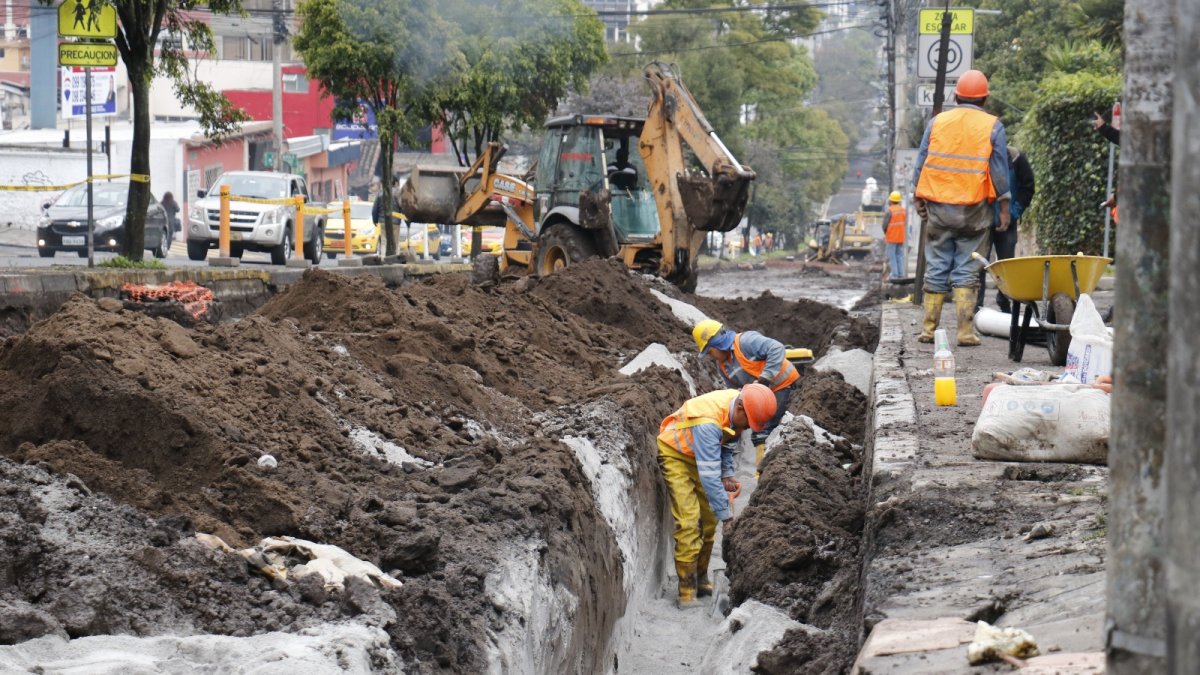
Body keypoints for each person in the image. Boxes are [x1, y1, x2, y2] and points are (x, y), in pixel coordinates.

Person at [912, 69, 1011, 347]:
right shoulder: (993, 126)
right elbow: (1000, 172)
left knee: (937, 264)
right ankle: (965, 332)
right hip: (974, 211)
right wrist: (1004, 208)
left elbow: (921, 163)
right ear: (985, 99)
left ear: (956, 96)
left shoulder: (937, 122)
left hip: (939, 208)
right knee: (967, 269)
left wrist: (917, 197)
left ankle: (929, 329)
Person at [657, 383, 777, 608]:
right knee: (689, 521)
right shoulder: (708, 422)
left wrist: (729, 474)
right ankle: (686, 590)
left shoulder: (736, 404)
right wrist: (728, 516)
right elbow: (710, 477)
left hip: (700, 455)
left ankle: (702, 580)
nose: (746, 430)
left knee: (709, 520)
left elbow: (727, 444)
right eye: (748, 424)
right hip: (676, 454)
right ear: (741, 409)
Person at [692, 319, 800, 476]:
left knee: (765, 428)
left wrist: (765, 378)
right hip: (763, 395)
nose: (712, 356)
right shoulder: (723, 366)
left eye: (710, 352)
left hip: (783, 384)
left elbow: (776, 348)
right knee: (757, 431)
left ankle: (767, 473)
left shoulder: (746, 342)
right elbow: (735, 392)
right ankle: (762, 471)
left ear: (717, 344)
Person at [977, 145, 1036, 313]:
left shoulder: (1015, 157)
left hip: (1007, 222)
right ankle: (976, 308)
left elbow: (1028, 187)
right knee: (979, 264)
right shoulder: (977, 155)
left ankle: (1004, 302)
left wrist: (1013, 213)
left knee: (1006, 265)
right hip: (981, 222)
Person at [882, 191, 906, 280]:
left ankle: (895, 275)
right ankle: (901, 274)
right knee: (899, 255)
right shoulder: (903, 210)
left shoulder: (890, 211)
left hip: (892, 237)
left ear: (890, 200)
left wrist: (886, 233)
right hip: (901, 237)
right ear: (899, 201)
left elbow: (884, 225)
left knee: (892, 256)